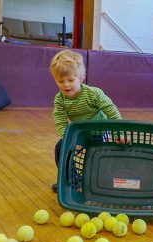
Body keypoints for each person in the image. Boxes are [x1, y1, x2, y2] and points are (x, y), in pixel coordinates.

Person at [49, 50, 122, 193]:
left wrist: (119, 132)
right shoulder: (60, 99)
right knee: (60, 148)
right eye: (60, 81)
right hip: (79, 133)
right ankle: (72, 179)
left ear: (81, 78)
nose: (66, 85)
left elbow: (111, 110)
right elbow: (60, 120)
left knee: (97, 155)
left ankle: (101, 181)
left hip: (100, 132)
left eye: (70, 80)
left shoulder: (93, 94)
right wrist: (68, 139)